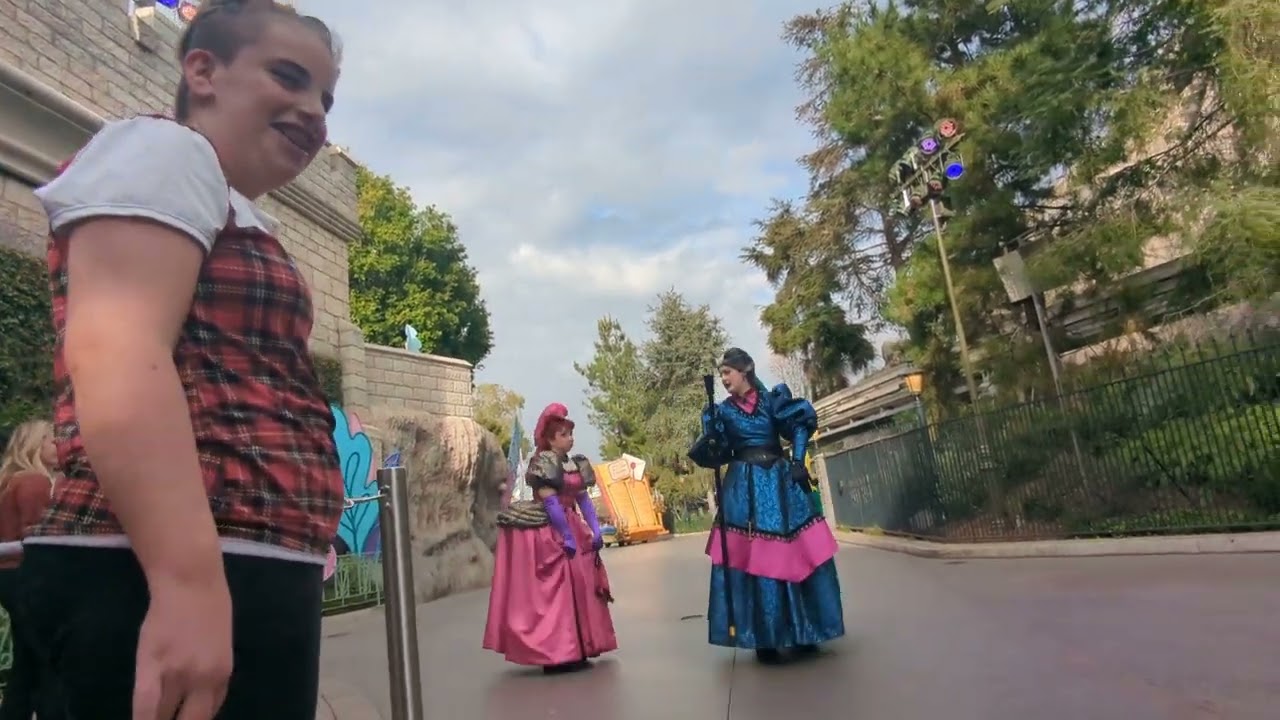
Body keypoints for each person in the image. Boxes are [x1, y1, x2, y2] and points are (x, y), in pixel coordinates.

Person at [20, 2, 344, 717]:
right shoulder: (163, 151)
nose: (314, 111)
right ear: (202, 70)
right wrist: (186, 584)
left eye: (325, 97)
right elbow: (118, 349)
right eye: (288, 78)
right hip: (150, 572)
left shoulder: (227, 204)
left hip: (238, 571)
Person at [688, 348, 845, 663]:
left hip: (779, 482)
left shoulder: (773, 400)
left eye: (728, 372)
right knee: (752, 558)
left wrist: (799, 461)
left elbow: (801, 424)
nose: (724, 378)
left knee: (797, 554)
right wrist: (713, 436)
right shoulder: (721, 411)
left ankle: (804, 632)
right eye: (721, 375)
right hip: (743, 489)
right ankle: (764, 638)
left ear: (745, 369)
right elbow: (715, 453)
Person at [484, 403, 618, 673]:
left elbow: (584, 501)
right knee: (558, 592)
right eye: (564, 434)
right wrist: (566, 535)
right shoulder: (543, 463)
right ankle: (558, 653)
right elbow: (552, 504)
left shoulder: (575, 463)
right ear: (551, 438)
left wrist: (593, 529)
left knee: (580, 586)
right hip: (552, 532)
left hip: (573, 528)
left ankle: (580, 647)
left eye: (570, 433)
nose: (570, 438)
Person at [0, 420, 59, 720]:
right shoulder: (34, 482)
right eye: (51, 440)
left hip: (7, 576)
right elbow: (38, 533)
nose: (59, 445)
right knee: (47, 659)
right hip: (26, 575)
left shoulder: (10, 480)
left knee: (25, 659)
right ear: (35, 445)